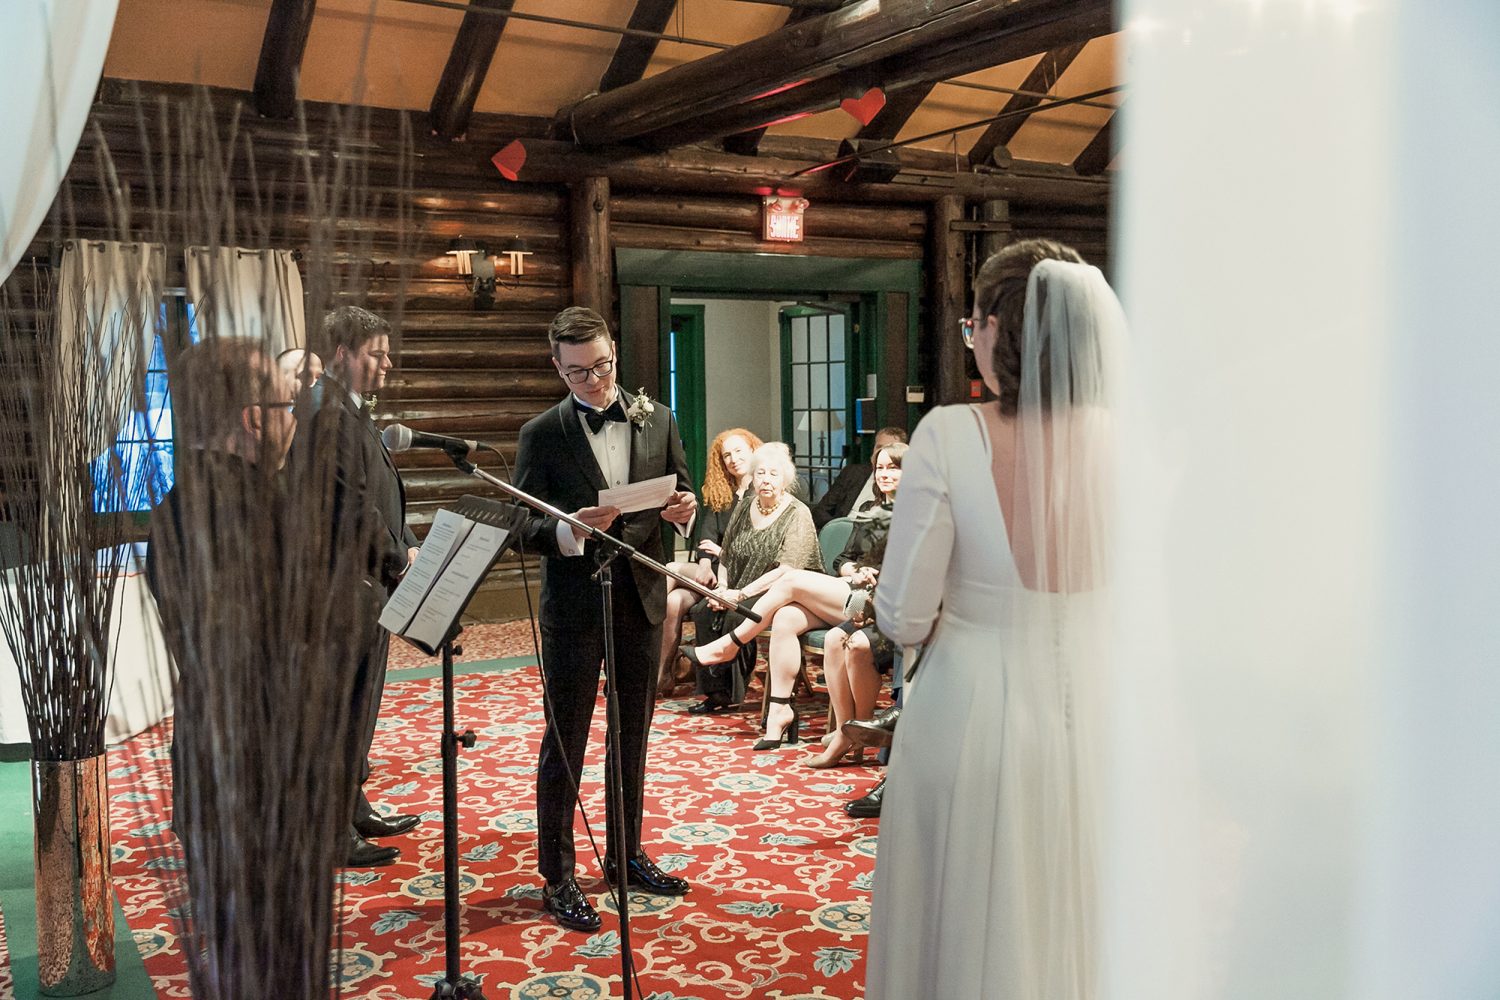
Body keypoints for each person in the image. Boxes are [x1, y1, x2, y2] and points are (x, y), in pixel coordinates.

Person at [864, 240, 1121, 1000]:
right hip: (1089, 708)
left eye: (973, 318)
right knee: (1065, 906)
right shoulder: (1124, 440)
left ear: (996, 332)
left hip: (972, 707)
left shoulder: (951, 432)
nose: (968, 332)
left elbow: (903, 615)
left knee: (963, 913)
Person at [513, 306, 698, 934]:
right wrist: (567, 530)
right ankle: (558, 873)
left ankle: (625, 854)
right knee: (565, 738)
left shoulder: (659, 418)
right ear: (556, 367)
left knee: (632, 733)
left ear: (613, 350)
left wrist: (684, 511)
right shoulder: (541, 434)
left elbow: (683, 492)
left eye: (602, 367)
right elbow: (521, 525)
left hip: (640, 598)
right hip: (573, 605)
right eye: (577, 374)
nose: (594, 382)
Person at [288, 306, 420, 868]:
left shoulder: (348, 409)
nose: (388, 364)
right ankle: (327, 830)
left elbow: (381, 489)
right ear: (343, 354)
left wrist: (408, 542)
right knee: (340, 712)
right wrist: (398, 558)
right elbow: (350, 506)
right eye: (377, 354)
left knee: (361, 707)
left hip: (368, 581)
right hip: (342, 585)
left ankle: (353, 806)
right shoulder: (328, 414)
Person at [679, 443, 822, 743]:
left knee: (736, 614)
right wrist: (722, 588)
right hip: (739, 584)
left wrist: (739, 595)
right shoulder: (745, 506)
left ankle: (735, 689)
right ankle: (716, 694)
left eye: (773, 474)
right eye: (760, 474)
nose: (766, 480)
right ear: (752, 478)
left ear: (785, 478)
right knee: (704, 610)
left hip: (782, 591)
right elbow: (727, 553)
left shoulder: (798, 513)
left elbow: (787, 570)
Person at [806, 442, 905, 768]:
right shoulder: (870, 513)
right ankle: (844, 730)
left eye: (893, 467)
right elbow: (844, 560)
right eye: (880, 468)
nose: (885, 473)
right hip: (870, 605)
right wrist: (856, 571)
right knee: (836, 638)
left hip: (901, 615)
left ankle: (860, 730)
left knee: (859, 644)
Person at [656, 428, 762, 696]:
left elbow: (758, 545)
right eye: (726, 455)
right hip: (711, 572)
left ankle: (640, 650)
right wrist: (704, 565)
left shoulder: (764, 490)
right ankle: (663, 675)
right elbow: (706, 538)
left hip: (745, 573)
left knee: (669, 569)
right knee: (673, 601)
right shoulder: (721, 494)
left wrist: (722, 551)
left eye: (739, 451)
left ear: (754, 451)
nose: (733, 459)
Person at [810, 426, 907, 529]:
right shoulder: (852, 473)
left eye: (889, 448)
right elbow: (820, 511)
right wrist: (838, 530)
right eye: (879, 447)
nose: (882, 453)